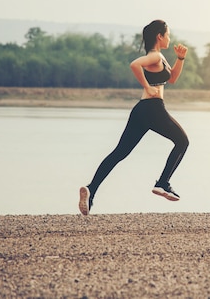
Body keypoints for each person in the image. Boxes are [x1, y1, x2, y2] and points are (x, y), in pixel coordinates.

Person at [79, 20, 189, 215]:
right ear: (159, 36)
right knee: (182, 141)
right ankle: (163, 183)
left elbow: (171, 79)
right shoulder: (154, 56)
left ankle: (91, 189)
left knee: (120, 152)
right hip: (153, 108)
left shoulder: (159, 57)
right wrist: (147, 86)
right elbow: (134, 64)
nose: (169, 38)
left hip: (141, 110)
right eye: (168, 35)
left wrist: (180, 59)